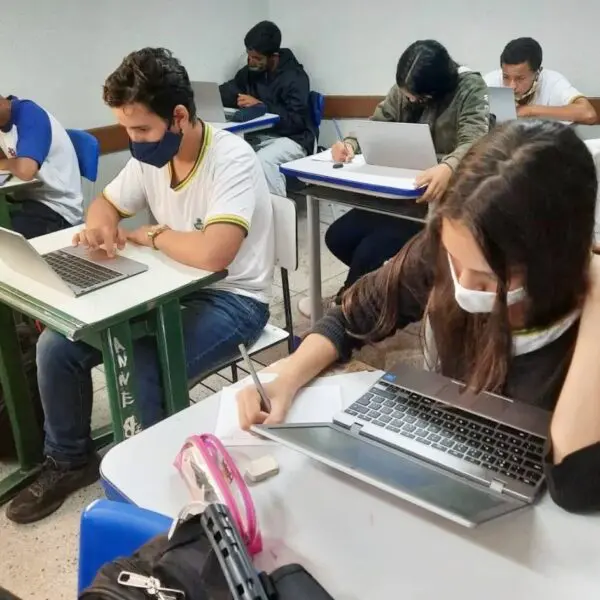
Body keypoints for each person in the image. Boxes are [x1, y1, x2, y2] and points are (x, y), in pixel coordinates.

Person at [239, 119, 600, 512]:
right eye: (455, 260)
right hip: (449, 462)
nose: (461, 284)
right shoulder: (443, 253)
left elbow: (576, 488)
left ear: (553, 262)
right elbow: (350, 316)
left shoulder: (584, 320)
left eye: (485, 277)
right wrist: (287, 376)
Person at [6, 47, 274, 524]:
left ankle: (151, 491)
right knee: (55, 347)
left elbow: (215, 253)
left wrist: (151, 234)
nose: (133, 142)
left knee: (143, 364)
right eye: (127, 129)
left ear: (179, 117)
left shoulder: (231, 158)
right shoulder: (152, 157)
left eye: (141, 130)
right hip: (170, 286)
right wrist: (100, 228)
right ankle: (69, 459)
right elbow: (104, 206)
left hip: (234, 299)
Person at [299, 40, 490, 318]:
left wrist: (449, 168)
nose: (409, 100)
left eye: (417, 97)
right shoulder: (405, 89)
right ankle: (375, 292)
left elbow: (476, 141)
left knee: (370, 251)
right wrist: (351, 144)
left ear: (436, 88)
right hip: (398, 194)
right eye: (407, 94)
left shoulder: (470, 88)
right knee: (337, 237)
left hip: (440, 203)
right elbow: (379, 122)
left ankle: (349, 308)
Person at [220, 21, 315, 197]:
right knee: (232, 154)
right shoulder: (251, 71)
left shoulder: (296, 77)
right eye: (249, 56)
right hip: (262, 136)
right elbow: (231, 89)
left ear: (274, 56)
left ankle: (276, 219)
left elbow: (296, 121)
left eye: (257, 58)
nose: (251, 62)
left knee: (264, 161)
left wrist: (261, 106)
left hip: (295, 138)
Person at [0, 95, 83, 238]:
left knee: (8, 242)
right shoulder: (3, 122)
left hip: (58, 209)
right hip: (26, 199)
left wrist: (3, 164)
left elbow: (26, 170)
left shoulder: (29, 114)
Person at [484, 37, 597, 125]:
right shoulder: (490, 81)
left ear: (537, 72)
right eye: (506, 77)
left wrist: (530, 111)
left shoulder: (553, 81)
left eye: (520, 78)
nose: (511, 86)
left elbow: (588, 114)